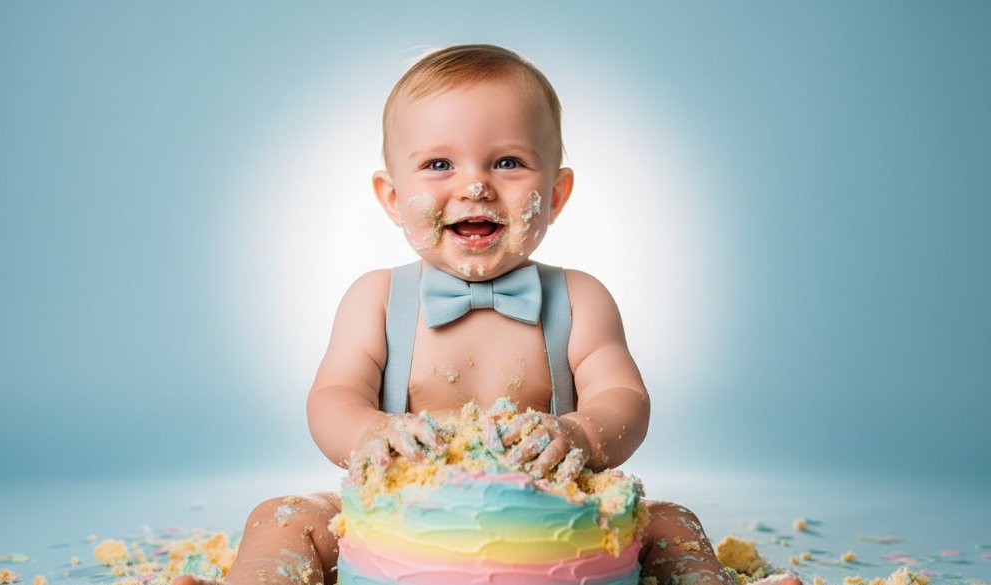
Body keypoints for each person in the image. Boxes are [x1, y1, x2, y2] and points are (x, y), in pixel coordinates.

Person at [180, 44, 766, 585]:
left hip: (551, 516)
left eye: (508, 162)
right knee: (283, 518)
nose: (476, 186)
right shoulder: (377, 298)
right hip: (398, 515)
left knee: (670, 521)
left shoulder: (580, 298)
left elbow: (625, 399)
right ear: (390, 197)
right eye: (439, 165)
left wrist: (578, 434)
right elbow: (332, 396)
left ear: (556, 195)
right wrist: (373, 433)